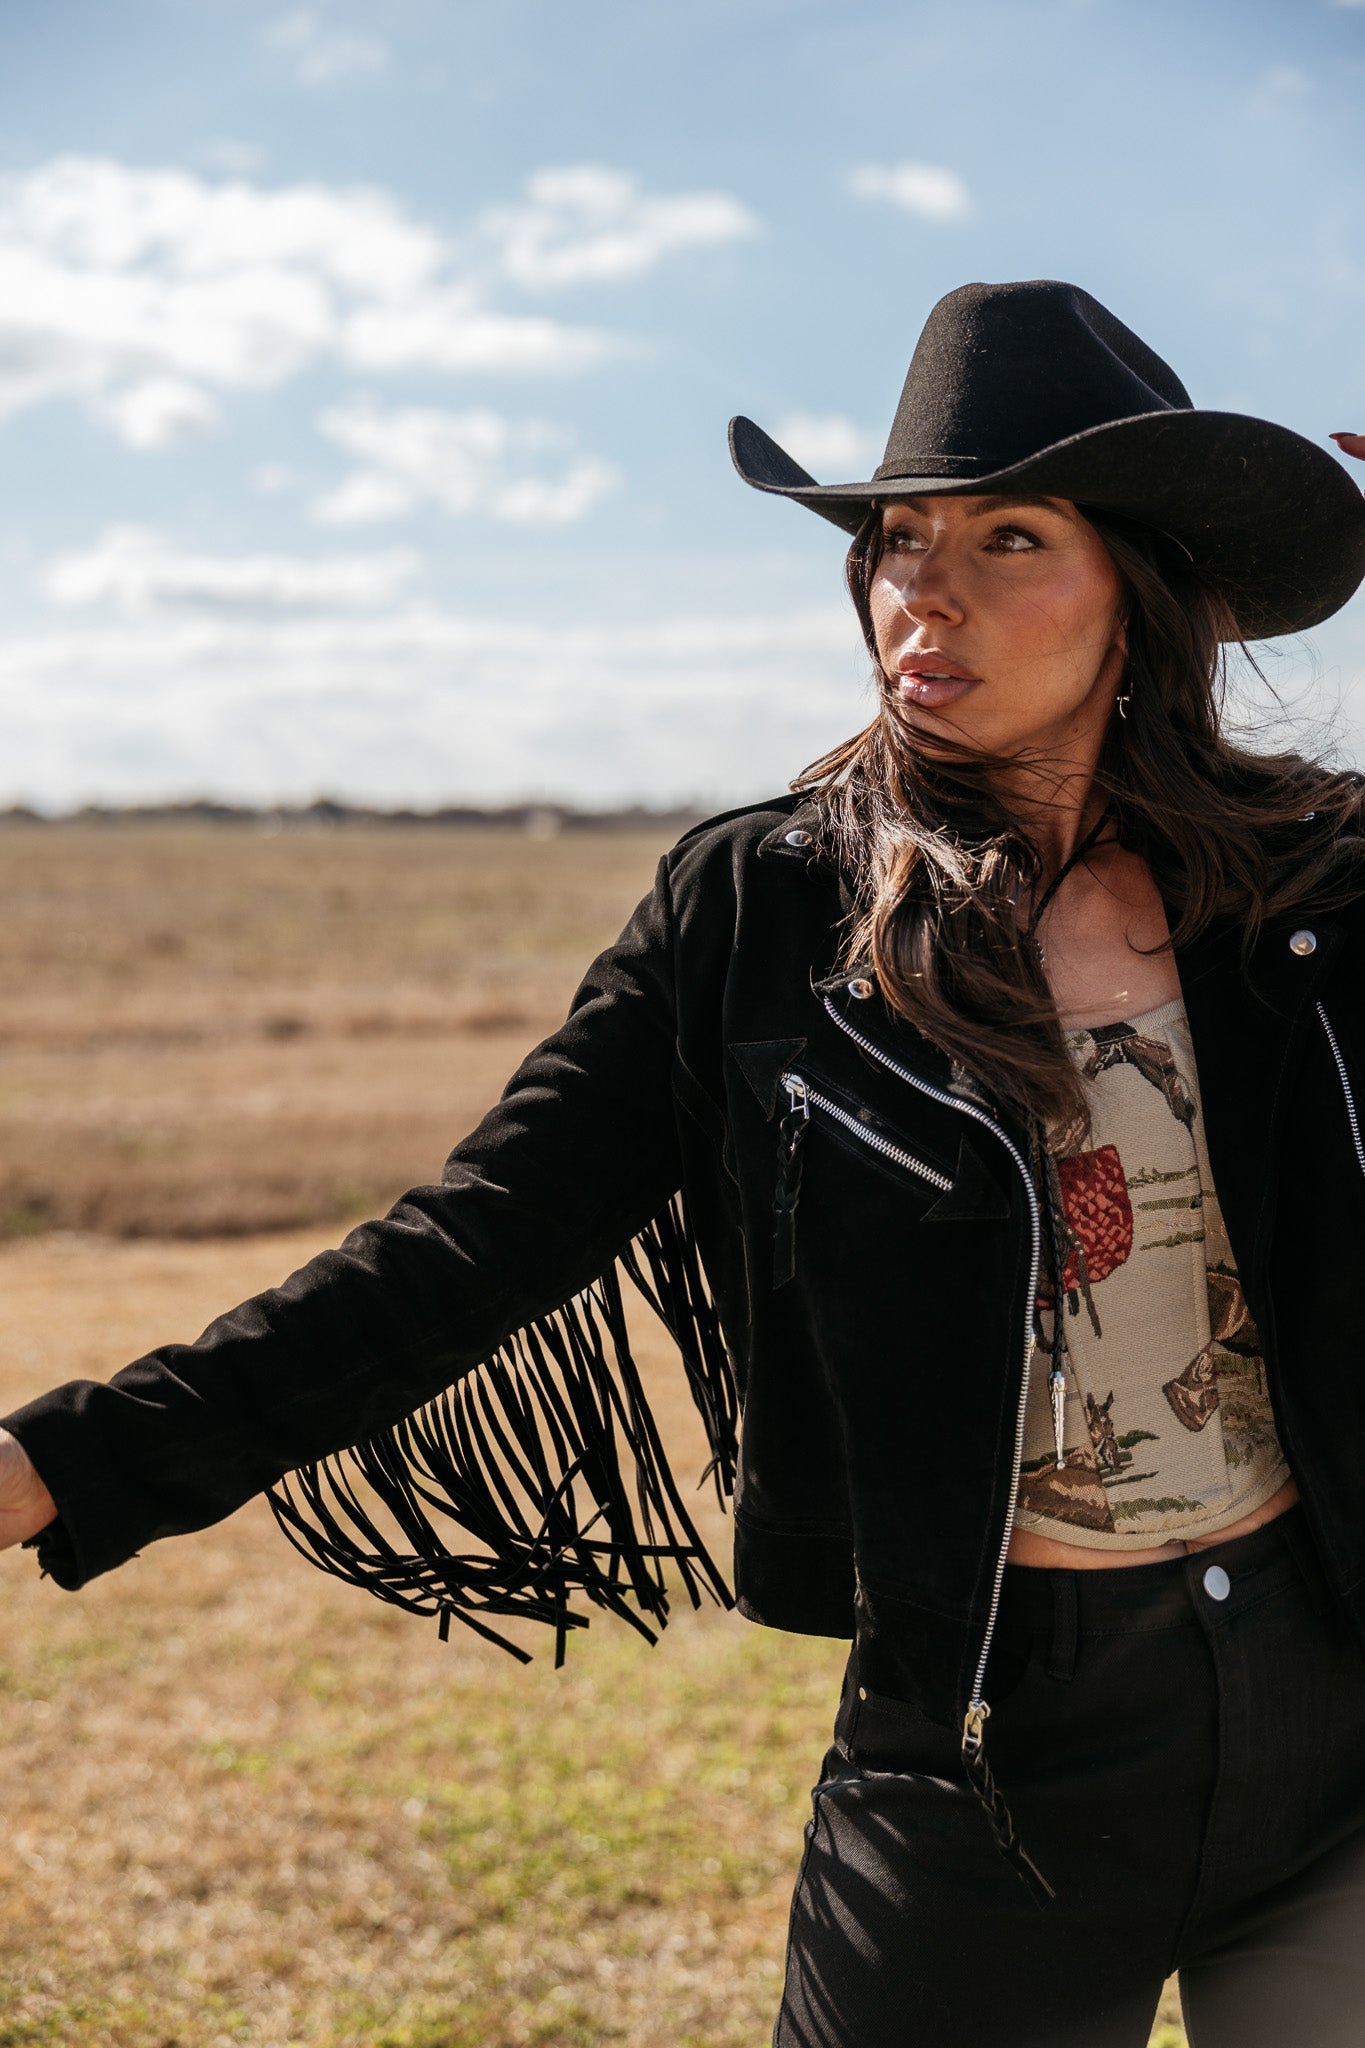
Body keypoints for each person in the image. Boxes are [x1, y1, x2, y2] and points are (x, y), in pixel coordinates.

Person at [3, 279, 1365, 2048]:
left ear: (1147, 585)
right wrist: (64, 1462)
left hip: (1330, 1712)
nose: (917, 592)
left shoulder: (1310, 889)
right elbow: (470, 1244)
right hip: (977, 1760)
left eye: (1004, 537)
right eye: (891, 541)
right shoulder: (766, 914)